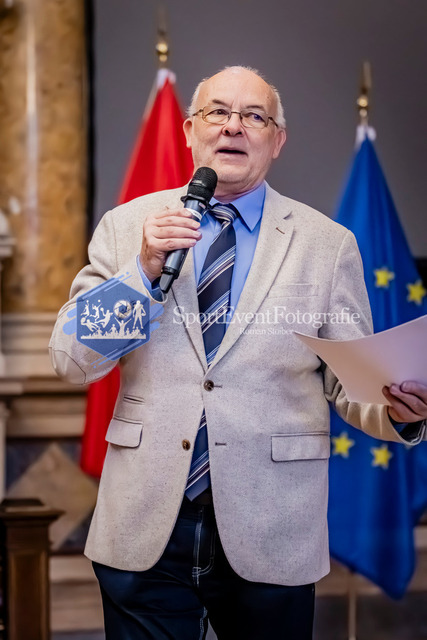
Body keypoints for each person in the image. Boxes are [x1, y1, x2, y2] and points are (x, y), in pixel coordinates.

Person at [50, 66, 427, 640]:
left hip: (274, 522)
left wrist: (400, 411)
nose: (233, 126)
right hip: (146, 520)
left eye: (254, 116)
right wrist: (143, 272)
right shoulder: (129, 227)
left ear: (277, 141)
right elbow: (72, 358)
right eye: (218, 112)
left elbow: (349, 385)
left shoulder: (327, 245)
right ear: (189, 131)